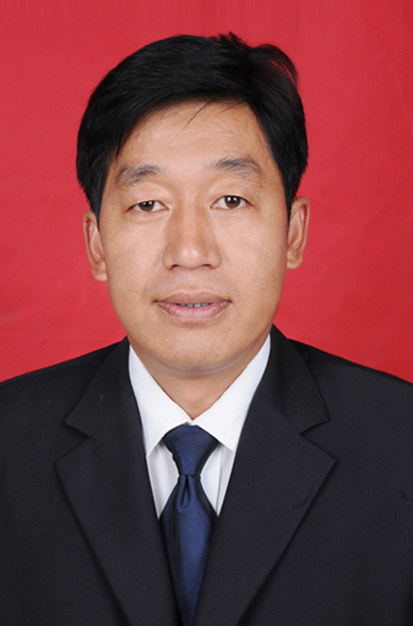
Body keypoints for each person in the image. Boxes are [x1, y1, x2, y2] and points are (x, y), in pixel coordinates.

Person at [1, 33, 412, 626]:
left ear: (293, 233)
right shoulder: (9, 447)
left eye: (231, 200)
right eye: (148, 204)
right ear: (97, 244)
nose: (190, 252)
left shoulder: (401, 446)